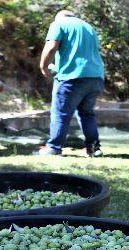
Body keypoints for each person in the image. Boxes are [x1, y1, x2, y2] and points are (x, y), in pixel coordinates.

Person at [35, 10, 105, 157]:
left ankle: (53, 148)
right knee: (87, 114)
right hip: (95, 77)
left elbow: (51, 46)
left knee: (61, 113)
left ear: (59, 17)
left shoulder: (59, 23)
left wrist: (43, 66)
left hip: (72, 77)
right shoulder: (88, 27)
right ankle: (94, 149)